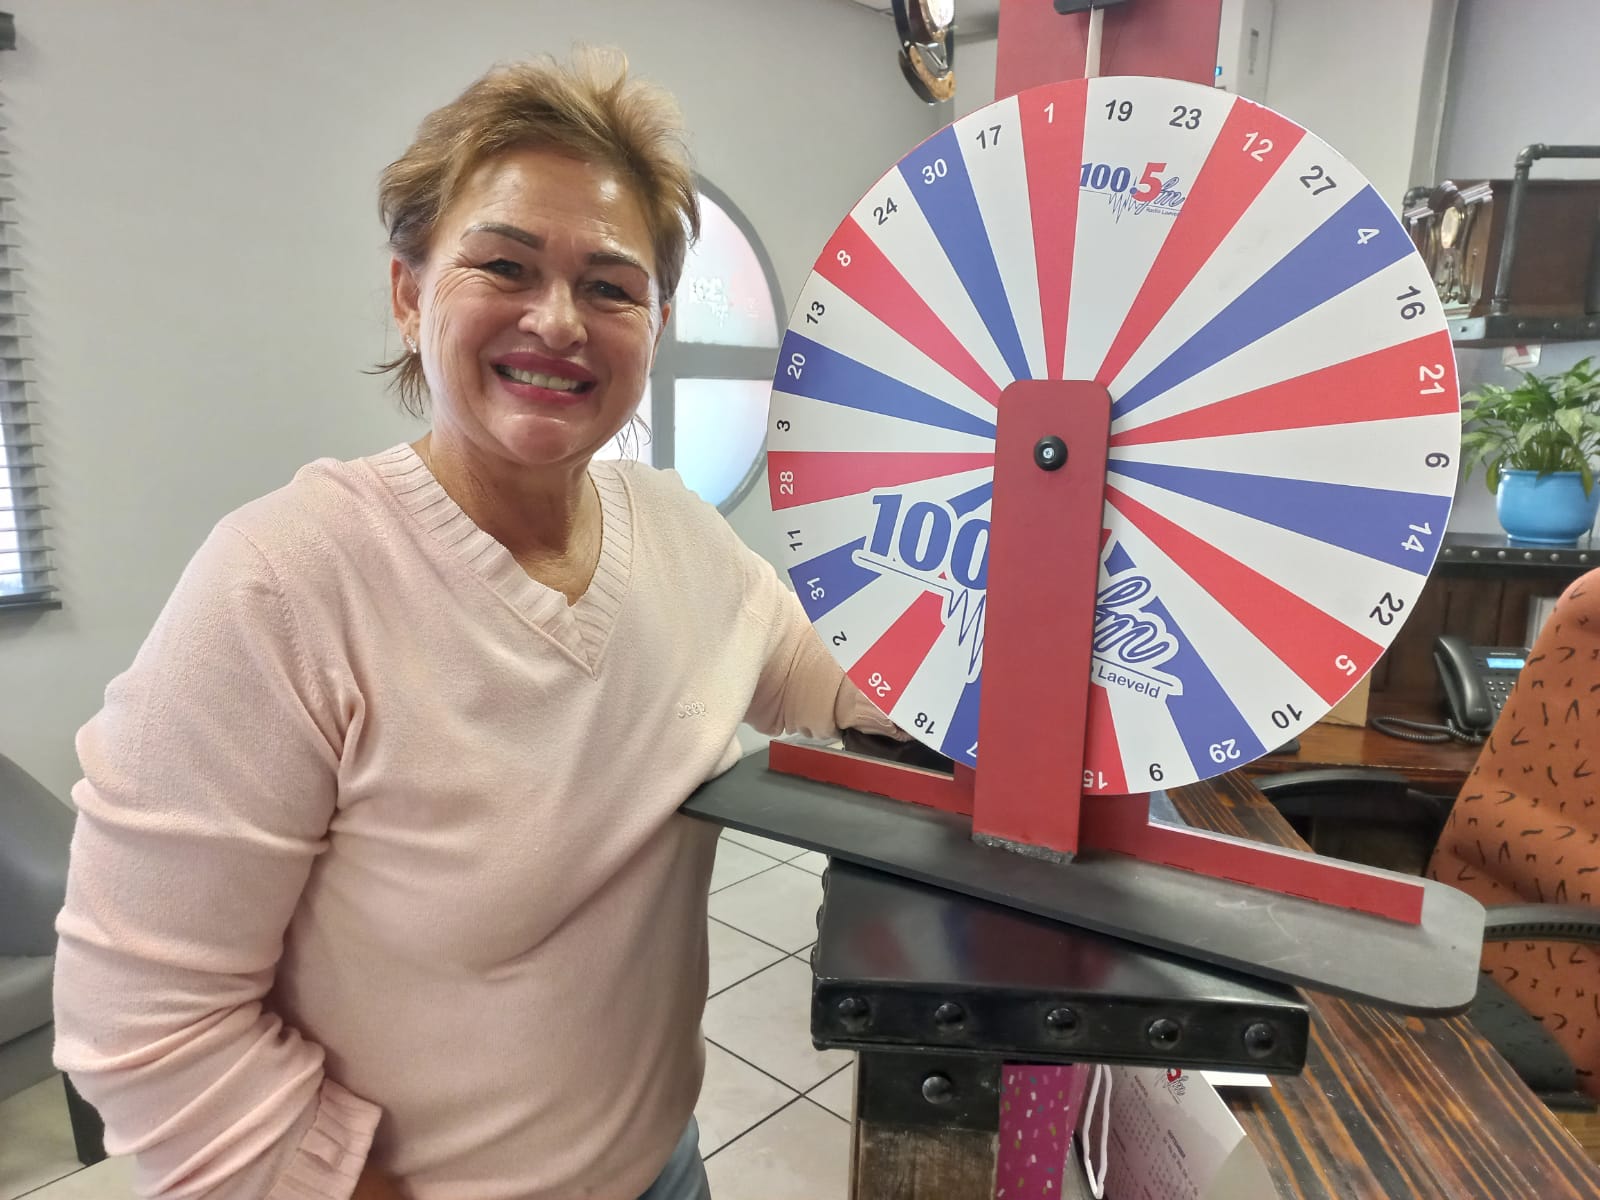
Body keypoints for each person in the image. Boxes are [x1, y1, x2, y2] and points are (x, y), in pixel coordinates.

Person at [52, 49, 897, 1200]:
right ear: (409, 294)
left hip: (663, 1165)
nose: (558, 321)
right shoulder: (285, 584)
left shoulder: (678, 532)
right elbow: (143, 1018)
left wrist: (974, 670)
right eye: (503, 265)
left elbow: (807, 667)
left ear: (654, 323)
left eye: (611, 287)